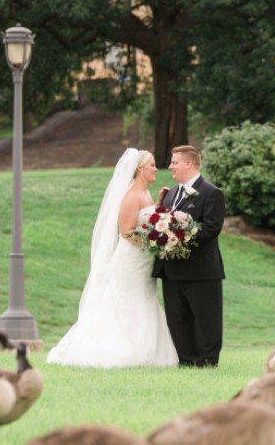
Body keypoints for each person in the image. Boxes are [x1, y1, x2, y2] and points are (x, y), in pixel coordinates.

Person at [47, 149, 179, 368]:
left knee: (145, 297)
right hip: (131, 260)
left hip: (144, 261)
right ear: (140, 169)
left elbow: (145, 221)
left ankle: (147, 350)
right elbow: (127, 232)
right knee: (126, 299)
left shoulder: (145, 193)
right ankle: (121, 348)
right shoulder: (130, 195)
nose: (156, 168)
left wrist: (159, 209)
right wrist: (155, 242)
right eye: (153, 165)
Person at [152, 145, 225, 367]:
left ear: (188, 164)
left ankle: (207, 361)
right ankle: (186, 360)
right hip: (171, 269)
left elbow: (211, 229)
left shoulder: (212, 193)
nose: (170, 166)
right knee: (178, 318)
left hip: (201, 270)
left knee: (206, 318)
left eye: (174, 162)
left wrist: (180, 237)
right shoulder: (170, 193)